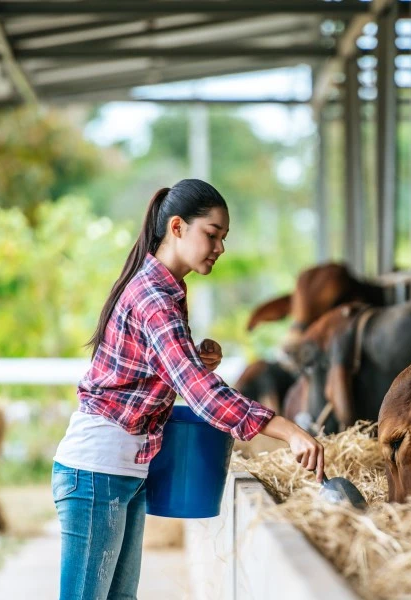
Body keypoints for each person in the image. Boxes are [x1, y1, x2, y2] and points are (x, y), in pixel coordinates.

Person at [51, 179, 324, 599]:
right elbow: (204, 396)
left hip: (122, 470)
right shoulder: (155, 297)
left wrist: (192, 360)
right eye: (212, 234)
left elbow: (151, 371)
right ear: (177, 227)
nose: (220, 247)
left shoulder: (165, 290)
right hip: (95, 472)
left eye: (224, 237)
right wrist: (287, 430)